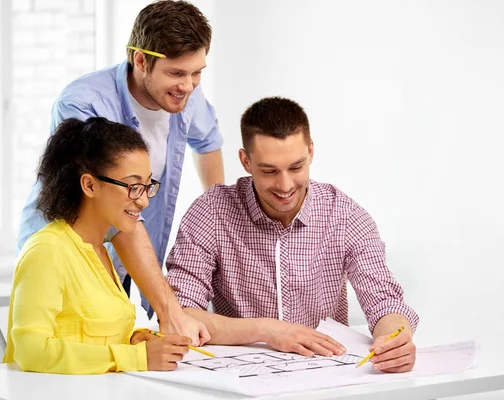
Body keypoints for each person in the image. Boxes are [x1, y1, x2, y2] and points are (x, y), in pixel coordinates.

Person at [17, 0, 223, 345]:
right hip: (71, 257)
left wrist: (220, 218)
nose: (188, 85)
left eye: (197, 72)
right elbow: (113, 207)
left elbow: (208, 140)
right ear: (140, 60)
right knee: (73, 359)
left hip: (129, 258)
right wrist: (170, 312)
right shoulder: (84, 103)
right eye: (176, 73)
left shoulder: (187, 92)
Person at [166, 97, 420, 373]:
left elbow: (384, 301)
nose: (285, 185)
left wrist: (395, 338)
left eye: (296, 167)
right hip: (240, 377)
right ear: (245, 161)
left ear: (311, 152)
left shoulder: (344, 215)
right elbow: (179, 314)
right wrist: (267, 330)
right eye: (269, 171)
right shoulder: (211, 212)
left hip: (326, 374)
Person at [4, 117, 192, 374]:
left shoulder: (99, 251)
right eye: (133, 186)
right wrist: (134, 358)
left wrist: (133, 342)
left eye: (147, 186)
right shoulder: (47, 251)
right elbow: (31, 351)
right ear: (90, 185)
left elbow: (83, 337)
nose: (144, 202)